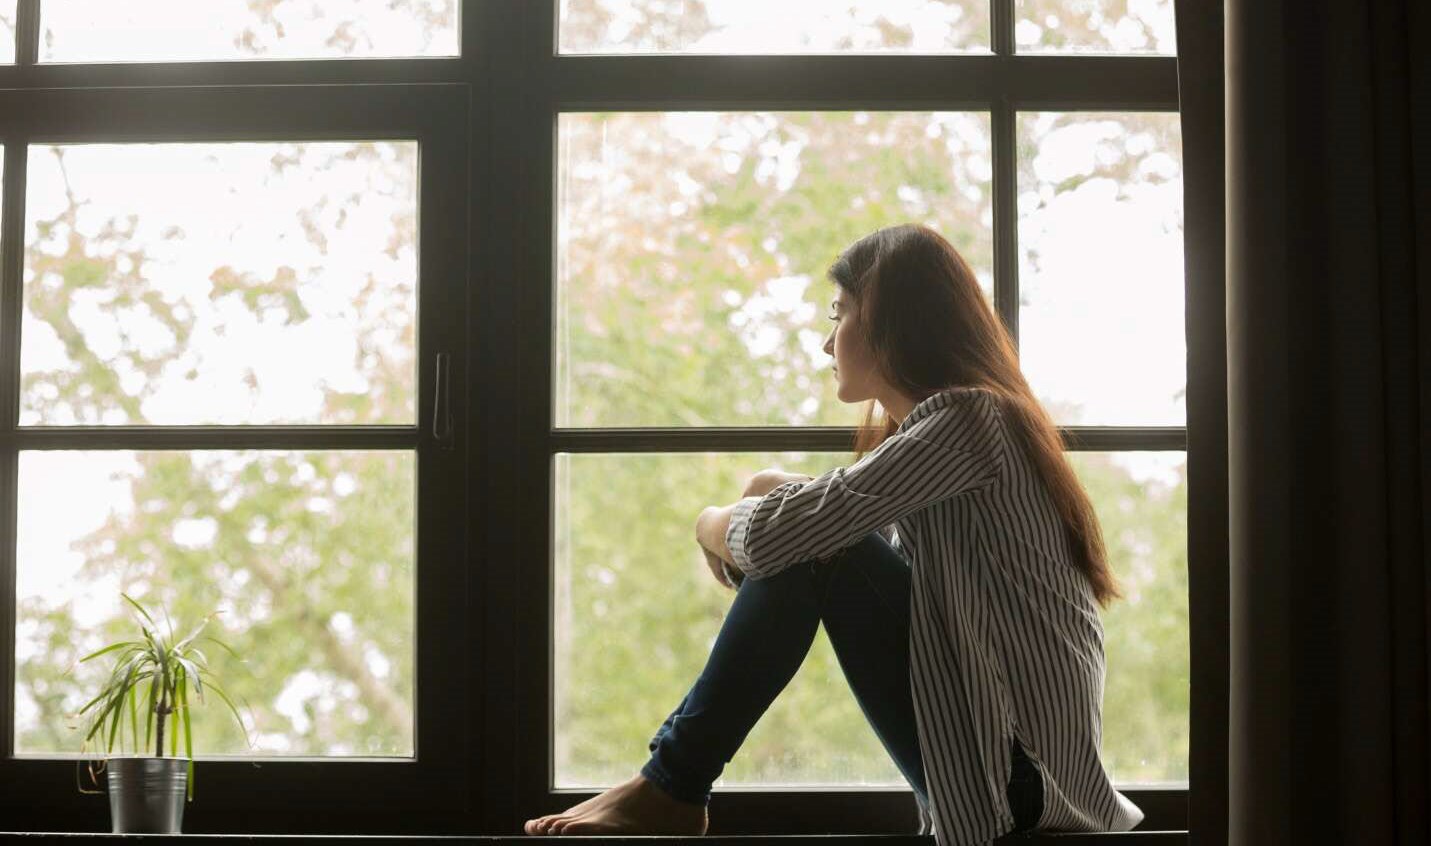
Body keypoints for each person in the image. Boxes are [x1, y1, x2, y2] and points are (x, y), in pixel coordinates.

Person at [523, 223, 1146, 844]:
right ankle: (669, 786)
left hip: (1020, 785)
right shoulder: (961, 435)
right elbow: (834, 517)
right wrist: (773, 484)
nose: (827, 343)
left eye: (840, 314)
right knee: (816, 535)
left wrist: (707, 524)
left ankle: (671, 785)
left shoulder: (970, 420)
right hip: (1009, 776)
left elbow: (788, 538)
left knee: (818, 545)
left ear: (892, 322)